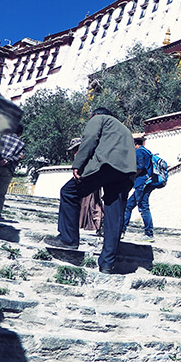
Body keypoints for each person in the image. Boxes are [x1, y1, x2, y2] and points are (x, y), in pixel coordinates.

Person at [45, 108, 136, 275]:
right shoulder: (125, 129)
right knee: (114, 216)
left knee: (68, 192)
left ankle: (68, 239)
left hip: (105, 167)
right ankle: (107, 264)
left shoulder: (99, 119)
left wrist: (78, 165)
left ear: (94, 115)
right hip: (125, 173)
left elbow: (89, 139)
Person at [122, 134, 156, 242]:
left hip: (142, 183)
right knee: (128, 205)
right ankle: (122, 230)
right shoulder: (146, 151)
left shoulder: (139, 152)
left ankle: (149, 233)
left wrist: (130, 176)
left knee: (143, 207)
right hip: (145, 183)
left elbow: (140, 167)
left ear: (135, 143)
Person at [68, 137, 103, 235]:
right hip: (88, 181)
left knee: (93, 204)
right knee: (88, 204)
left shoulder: (87, 155)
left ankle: (100, 224)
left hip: (90, 181)